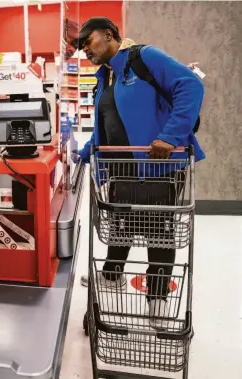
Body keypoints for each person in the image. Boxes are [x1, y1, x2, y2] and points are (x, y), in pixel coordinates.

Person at [75, 18, 205, 329]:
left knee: (158, 234)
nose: (84, 51)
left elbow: (190, 85)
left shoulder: (144, 58)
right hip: (121, 168)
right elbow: (105, 125)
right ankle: (112, 275)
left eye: (87, 42)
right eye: (80, 48)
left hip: (157, 166)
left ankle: (157, 298)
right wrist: (84, 154)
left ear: (109, 35)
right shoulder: (105, 77)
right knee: (120, 221)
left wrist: (171, 136)